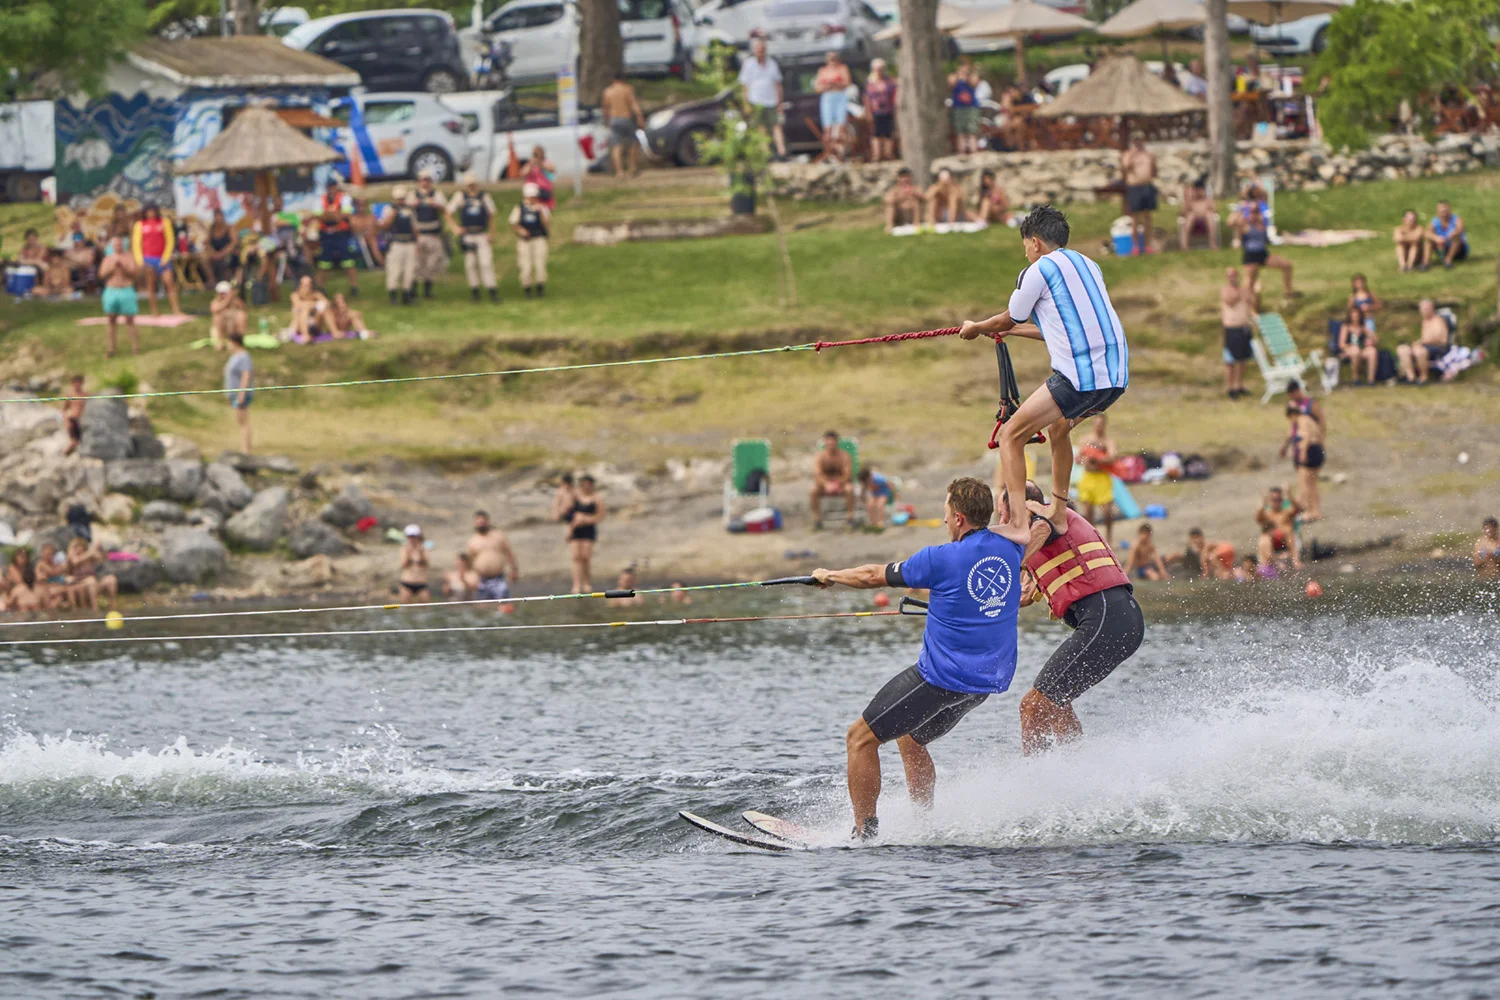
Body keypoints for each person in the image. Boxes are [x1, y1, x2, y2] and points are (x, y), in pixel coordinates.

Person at [812, 477, 1031, 839]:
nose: (943, 519)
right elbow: (1040, 524)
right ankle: (924, 826)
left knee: (859, 739)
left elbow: (872, 575)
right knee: (910, 737)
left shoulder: (939, 558)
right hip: (987, 682)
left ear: (959, 517)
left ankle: (863, 836)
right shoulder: (1012, 547)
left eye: (946, 511)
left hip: (942, 679)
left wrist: (830, 575)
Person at [959, 205, 1129, 537]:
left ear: (1035, 242)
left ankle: (1018, 524)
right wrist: (1010, 332)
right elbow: (1060, 329)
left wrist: (976, 327)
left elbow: (1009, 317)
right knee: (1059, 428)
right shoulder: (1088, 265)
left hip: (1080, 378)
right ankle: (1059, 513)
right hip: (1115, 378)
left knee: (1011, 435)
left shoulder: (1037, 270)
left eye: (1025, 245)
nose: (1025, 253)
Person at [1012, 480, 1143, 753]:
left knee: (1033, 706)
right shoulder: (1045, 536)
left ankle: (1034, 777)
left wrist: (1009, 563)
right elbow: (1022, 594)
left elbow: (1039, 530)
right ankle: (1076, 767)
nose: (1003, 523)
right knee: (1057, 703)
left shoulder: (1046, 518)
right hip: (1120, 620)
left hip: (1108, 619)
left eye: (1005, 515)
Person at [447, 174, 500, 302]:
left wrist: (492, 233)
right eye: (469, 184)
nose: (471, 186)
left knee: (486, 263)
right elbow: (448, 212)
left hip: (481, 233)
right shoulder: (461, 197)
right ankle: (474, 290)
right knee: (470, 264)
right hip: (468, 234)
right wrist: (455, 228)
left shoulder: (484, 197)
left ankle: (492, 289)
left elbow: (491, 215)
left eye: (473, 184)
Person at [1234, 202, 1294, 310]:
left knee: (1287, 266)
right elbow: (1232, 222)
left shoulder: (1262, 224)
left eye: (1256, 211)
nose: (1254, 215)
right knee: (1249, 283)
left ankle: (1288, 294)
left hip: (1263, 254)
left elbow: (1271, 235)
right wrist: (1241, 209)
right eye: (1252, 212)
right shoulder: (1245, 225)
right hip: (1251, 255)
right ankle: (1247, 306)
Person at [1280, 380, 1325, 521]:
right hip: (1312, 449)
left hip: (1309, 449)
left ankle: (1309, 511)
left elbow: (1308, 435)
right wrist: (1285, 445)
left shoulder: (1305, 415)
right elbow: (1291, 431)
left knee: (1305, 483)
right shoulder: (1300, 416)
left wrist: (1304, 452)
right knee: (1312, 483)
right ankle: (1315, 511)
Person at [738, 37, 786, 159]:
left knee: (776, 125)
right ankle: (766, 154)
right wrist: (746, 103)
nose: (760, 52)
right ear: (754, 50)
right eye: (758, 49)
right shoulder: (749, 64)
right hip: (756, 101)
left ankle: (782, 152)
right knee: (761, 127)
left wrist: (780, 102)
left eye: (762, 49)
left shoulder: (772, 63)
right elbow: (745, 86)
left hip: (772, 101)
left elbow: (778, 84)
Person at [130, 203, 181, 317]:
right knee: (151, 285)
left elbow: (170, 240)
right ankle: (154, 311)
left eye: (152, 211)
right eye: (148, 211)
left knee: (169, 282)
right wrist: (140, 261)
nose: (151, 213)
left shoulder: (164, 222)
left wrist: (166, 257)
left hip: (162, 258)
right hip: (148, 259)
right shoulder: (140, 225)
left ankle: (176, 309)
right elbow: (136, 244)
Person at [1075, 414, 1117, 544]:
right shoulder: (1085, 440)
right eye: (1097, 424)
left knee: (1107, 511)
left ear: (1104, 425)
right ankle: (1093, 540)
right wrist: (1086, 460)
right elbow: (1078, 459)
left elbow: (1112, 458)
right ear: (1093, 424)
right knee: (1088, 511)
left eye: (1101, 424)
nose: (1099, 427)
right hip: (1088, 477)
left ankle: (1109, 540)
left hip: (1102, 477)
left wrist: (1096, 458)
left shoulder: (1108, 442)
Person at [97, 236, 140, 358]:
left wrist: (123, 268)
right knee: (111, 319)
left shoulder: (129, 257)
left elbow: (134, 274)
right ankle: (111, 349)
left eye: (120, 244)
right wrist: (113, 268)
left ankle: (135, 348)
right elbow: (101, 275)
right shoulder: (108, 259)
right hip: (111, 290)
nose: (118, 247)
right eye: (115, 245)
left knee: (130, 319)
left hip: (126, 290)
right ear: (112, 246)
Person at [466, 510, 520, 606]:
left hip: (498, 578)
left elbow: (509, 553)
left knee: (504, 605)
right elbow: (470, 563)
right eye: (479, 522)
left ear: (487, 522)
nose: (481, 524)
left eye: (483, 522)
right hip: (482, 580)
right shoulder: (473, 541)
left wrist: (514, 570)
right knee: (483, 607)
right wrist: (471, 577)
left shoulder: (498, 536)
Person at [316, 177, 359, 295]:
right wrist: (334, 215)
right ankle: (321, 287)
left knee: (348, 261)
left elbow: (345, 215)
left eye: (333, 186)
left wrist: (330, 215)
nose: (331, 189)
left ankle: (354, 286)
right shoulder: (321, 199)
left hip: (341, 234)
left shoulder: (344, 198)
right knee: (324, 263)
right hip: (327, 235)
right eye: (329, 186)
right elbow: (319, 216)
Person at [1396, 298, 1451, 384]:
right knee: (1402, 349)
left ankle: (1424, 377)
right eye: (1422, 309)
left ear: (1432, 308)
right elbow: (1425, 338)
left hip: (1438, 347)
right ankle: (1411, 377)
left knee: (1419, 351)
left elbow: (1440, 339)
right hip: (1425, 345)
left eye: (1425, 309)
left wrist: (1422, 343)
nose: (1423, 311)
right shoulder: (1425, 321)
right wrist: (1418, 343)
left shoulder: (1438, 321)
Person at [509, 183, 550, 298]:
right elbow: (514, 223)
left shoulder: (541, 207)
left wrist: (540, 211)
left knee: (540, 264)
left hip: (538, 238)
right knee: (525, 265)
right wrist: (521, 230)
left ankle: (540, 287)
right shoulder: (519, 208)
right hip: (525, 240)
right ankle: (527, 287)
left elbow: (546, 223)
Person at [601, 73, 646, 177]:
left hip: (614, 120)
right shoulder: (627, 89)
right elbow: (633, 104)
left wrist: (606, 121)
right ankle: (632, 168)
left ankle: (619, 171)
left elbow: (605, 108)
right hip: (626, 118)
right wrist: (639, 116)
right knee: (633, 143)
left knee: (616, 146)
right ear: (623, 79)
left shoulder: (607, 91)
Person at [1220, 266, 1253, 399]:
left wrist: (1252, 292)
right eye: (1230, 275)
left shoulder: (1244, 290)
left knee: (1242, 359)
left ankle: (1239, 385)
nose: (1233, 278)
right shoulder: (1225, 290)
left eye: (1234, 275)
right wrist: (1241, 292)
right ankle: (1230, 388)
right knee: (1230, 360)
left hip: (1244, 328)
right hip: (1231, 329)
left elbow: (1252, 302)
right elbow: (1230, 301)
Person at [381, 185, 418, 305]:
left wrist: (416, 242)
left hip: (409, 242)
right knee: (394, 269)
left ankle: (407, 293)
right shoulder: (389, 208)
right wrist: (393, 213)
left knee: (409, 270)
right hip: (396, 242)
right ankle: (393, 294)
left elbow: (414, 227)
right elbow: (385, 225)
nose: (401, 201)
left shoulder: (410, 210)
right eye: (399, 199)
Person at [413, 172, 448, 299]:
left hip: (433, 233)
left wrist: (435, 204)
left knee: (432, 263)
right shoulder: (413, 195)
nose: (425, 182)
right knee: (417, 263)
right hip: (419, 233)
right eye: (423, 180)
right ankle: (413, 289)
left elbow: (445, 209)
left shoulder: (436, 194)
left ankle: (427, 290)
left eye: (427, 180)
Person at [809, 430, 854, 528]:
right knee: (812, 490)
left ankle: (850, 517)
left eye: (832, 440)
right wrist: (826, 484)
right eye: (828, 440)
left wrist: (837, 484)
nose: (830, 443)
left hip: (841, 484)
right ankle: (817, 519)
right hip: (824, 484)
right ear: (825, 442)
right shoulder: (820, 457)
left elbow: (847, 474)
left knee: (849, 489)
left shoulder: (844, 456)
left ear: (836, 442)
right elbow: (817, 474)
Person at [1120, 137, 1157, 254]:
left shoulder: (1148, 155)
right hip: (1135, 187)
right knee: (1135, 218)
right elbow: (1125, 168)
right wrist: (1133, 156)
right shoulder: (1128, 154)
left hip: (1147, 186)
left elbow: (1154, 170)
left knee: (1147, 217)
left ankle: (1148, 245)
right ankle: (1135, 246)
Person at [567, 476, 604, 594]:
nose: (586, 487)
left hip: (588, 529)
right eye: (584, 484)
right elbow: (569, 513)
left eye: (588, 485)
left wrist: (585, 519)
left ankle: (586, 582)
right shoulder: (576, 496)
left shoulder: (597, 498)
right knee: (576, 557)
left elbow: (600, 516)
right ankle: (576, 584)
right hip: (576, 528)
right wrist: (570, 528)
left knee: (585, 557)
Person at [815, 51, 852, 159]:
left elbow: (847, 83)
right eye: (830, 58)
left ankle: (841, 152)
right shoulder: (822, 70)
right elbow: (817, 88)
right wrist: (826, 86)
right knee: (828, 128)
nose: (833, 60)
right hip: (827, 97)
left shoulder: (842, 68)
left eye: (834, 58)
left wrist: (835, 83)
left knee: (841, 127)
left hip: (840, 96)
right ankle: (829, 151)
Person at [65, 536, 118, 611]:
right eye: (76, 547)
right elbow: (76, 562)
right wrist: (92, 550)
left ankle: (113, 607)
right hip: (78, 583)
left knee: (111, 579)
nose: (78, 549)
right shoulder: (72, 557)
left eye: (80, 546)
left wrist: (100, 549)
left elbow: (101, 558)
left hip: (94, 583)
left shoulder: (89, 555)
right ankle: (95, 608)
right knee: (91, 581)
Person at [1255, 485, 1302, 569]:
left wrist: (1290, 496)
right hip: (1272, 541)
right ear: (1269, 500)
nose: (1276, 502)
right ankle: (1271, 563)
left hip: (1286, 539)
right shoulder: (1267, 514)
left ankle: (1296, 560)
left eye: (1279, 500)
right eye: (1274, 500)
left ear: (1282, 500)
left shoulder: (1286, 512)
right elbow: (1258, 518)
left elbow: (1298, 509)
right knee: (1264, 538)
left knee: (1288, 531)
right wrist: (1263, 503)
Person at [224, 331, 253, 454]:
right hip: (234, 394)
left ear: (235, 343)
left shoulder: (244, 357)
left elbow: (246, 376)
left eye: (229, 343)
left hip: (241, 395)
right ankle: (245, 447)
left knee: (243, 421)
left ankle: (245, 450)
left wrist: (241, 394)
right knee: (240, 421)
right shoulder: (234, 356)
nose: (228, 345)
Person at [864, 59, 897, 163]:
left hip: (888, 110)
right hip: (875, 111)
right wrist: (868, 112)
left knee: (888, 132)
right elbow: (866, 98)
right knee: (876, 133)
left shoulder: (889, 81)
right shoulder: (870, 82)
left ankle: (888, 154)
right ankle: (876, 155)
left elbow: (894, 93)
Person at [1337, 305, 1377, 385]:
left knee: (1372, 351)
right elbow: (1341, 344)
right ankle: (1356, 378)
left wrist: (1370, 338)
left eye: (1357, 315)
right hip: (1349, 350)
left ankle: (1371, 380)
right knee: (1355, 350)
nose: (1355, 317)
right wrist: (1350, 347)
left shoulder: (1363, 327)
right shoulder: (1346, 327)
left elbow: (1375, 339)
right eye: (1354, 315)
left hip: (1361, 349)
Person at [948, 57, 981, 156]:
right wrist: (959, 75)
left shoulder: (972, 76)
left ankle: (973, 153)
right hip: (958, 108)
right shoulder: (954, 76)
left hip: (971, 108)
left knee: (972, 132)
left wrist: (967, 76)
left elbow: (974, 83)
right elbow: (951, 83)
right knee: (960, 132)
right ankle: (961, 153)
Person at [1426, 200, 1467, 269]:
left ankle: (1448, 261)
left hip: (1458, 250)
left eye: (1445, 211)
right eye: (1442, 211)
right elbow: (1426, 233)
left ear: (1449, 210)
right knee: (1429, 239)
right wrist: (1436, 238)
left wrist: (1451, 235)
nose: (1444, 213)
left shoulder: (1456, 219)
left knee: (1456, 237)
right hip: (1442, 247)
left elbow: (1460, 229)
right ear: (1438, 212)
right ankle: (1425, 263)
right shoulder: (1435, 222)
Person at [289, 275, 330, 343]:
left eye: (309, 284)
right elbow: (298, 304)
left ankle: (335, 331)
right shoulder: (295, 295)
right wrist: (315, 304)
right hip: (299, 325)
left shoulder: (316, 294)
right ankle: (306, 335)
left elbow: (327, 303)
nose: (308, 287)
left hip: (315, 323)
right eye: (306, 285)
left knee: (325, 309)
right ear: (301, 285)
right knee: (305, 309)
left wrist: (315, 305)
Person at [1179, 178, 1218, 250]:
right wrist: (1188, 200)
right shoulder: (1191, 200)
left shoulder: (1207, 200)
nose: (1199, 192)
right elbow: (1183, 212)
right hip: (1193, 219)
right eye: (1197, 190)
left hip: (1205, 219)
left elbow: (1214, 210)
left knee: (1209, 215)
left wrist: (1210, 208)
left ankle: (1212, 243)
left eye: (1201, 190)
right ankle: (1184, 245)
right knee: (1190, 216)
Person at [204, 209, 240, 285]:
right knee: (203, 257)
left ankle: (229, 281)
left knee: (230, 258)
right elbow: (206, 243)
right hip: (215, 253)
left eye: (220, 217)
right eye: (216, 217)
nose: (218, 219)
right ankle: (212, 280)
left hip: (228, 252)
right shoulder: (212, 229)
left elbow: (234, 243)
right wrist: (213, 253)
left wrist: (222, 254)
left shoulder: (230, 228)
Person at [209, 280, 246, 352]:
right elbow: (214, 309)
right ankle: (220, 342)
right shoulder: (216, 301)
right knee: (218, 316)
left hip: (232, 327)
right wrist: (228, 300)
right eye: (221, 293)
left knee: (241, 315)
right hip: (221, 329)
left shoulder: (235, 300)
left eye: (224, 293)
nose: (223, 296)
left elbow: (243, 308)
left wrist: (233, 299)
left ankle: (238, 340)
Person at [398, 524, 431, 603]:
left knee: (425, 604)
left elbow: (426, 564)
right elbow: (404, 565)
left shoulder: (423, 549)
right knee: (405, 605)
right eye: (410, 537)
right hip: (407, 582)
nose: (412, 539)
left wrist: (420, 552)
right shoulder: (404, 549)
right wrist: (409, 553)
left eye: (414, 536)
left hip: (421, 583)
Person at [348, 198, 384, 269]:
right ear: (356, 206)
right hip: (359, 239)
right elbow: (355, 230)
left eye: (363, 205)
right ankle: (378, 264)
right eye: (359, 206)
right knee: (369, 240)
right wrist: (367, 230)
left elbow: (377, 228)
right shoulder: (353, 218)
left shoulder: (371, 217)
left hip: (373, 237)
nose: (361, 208)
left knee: (373, 240)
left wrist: (370, 231)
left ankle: (381, 263)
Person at [522, 146, 557, 210]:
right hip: (533, 187)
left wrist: (540, 164)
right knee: (530, 189)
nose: (538, 156)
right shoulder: (531, 163)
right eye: (536, 154)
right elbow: (523, 173)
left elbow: (552, 169)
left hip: (544, 187)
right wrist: (531, 164)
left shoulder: (545, 162)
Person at [62, 375, 87, 456]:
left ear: (82, 383)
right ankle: (64, 453)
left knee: (82, 440)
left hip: (82, 421)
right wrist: (66, 421)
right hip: (72, 419)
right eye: (75, 382)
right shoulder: (70, 395)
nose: (77, 384)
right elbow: (64, 409)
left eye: (79, 382)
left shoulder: (85, 394)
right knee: (74, 441)